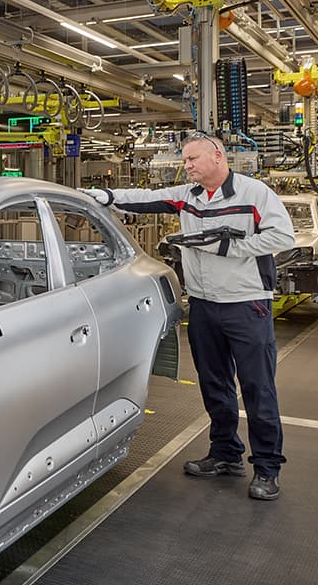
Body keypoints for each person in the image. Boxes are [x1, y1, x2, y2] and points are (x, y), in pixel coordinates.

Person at [82, 132, 295, 501]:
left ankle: (267, 467)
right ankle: (225, 454)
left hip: (246, 304)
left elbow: (282, 237)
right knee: (214, 384)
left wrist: (229, 247)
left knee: (257, 387)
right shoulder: (188, 196)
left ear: (217, 156)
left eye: (193, 159)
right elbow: (146, 199)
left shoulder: (254, 194)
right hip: (203, 304)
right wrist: (107, 196)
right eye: (185, 160)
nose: (187, 166)